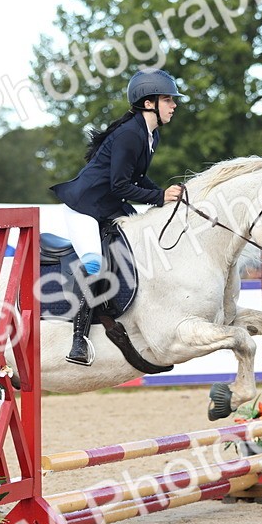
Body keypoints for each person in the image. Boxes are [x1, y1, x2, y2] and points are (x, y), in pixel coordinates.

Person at [49, 67, 188, 366]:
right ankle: (79, 341)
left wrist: (166, 194)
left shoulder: (150, 135)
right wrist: (159, 197)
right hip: (84, 208)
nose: (174, 105)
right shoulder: (129, 134)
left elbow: (137, 178)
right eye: (168, 99)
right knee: (94, 262)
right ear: (149, 103)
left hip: (110, 207)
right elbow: (121, 185)